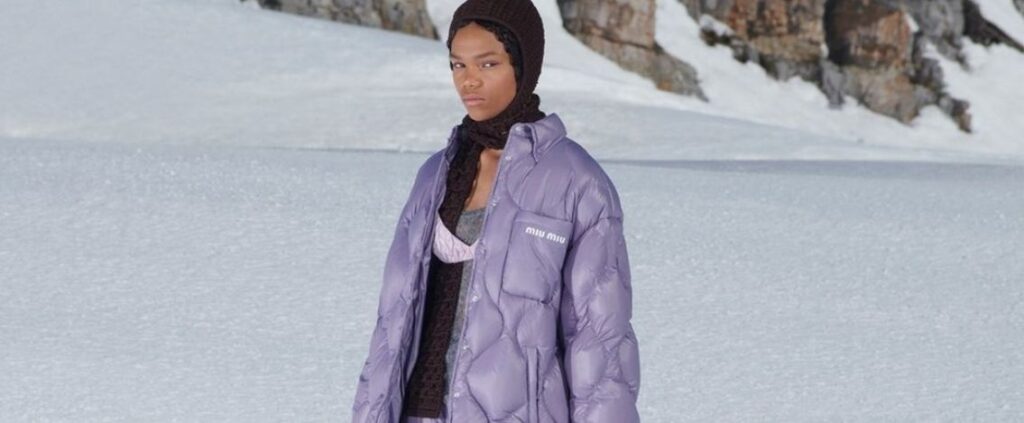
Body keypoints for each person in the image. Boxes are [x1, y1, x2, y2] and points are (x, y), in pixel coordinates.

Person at [351, 1, 640, 422]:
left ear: (523, 66)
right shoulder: (435, 174)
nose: (469, 80)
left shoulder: (576, 180)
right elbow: (390, 326)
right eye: (458, 65)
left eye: (488, 64)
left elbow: (600, 341)